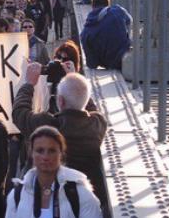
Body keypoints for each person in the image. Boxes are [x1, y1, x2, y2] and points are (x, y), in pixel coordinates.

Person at [14, 63, 109, 206]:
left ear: (60, 101)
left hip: (47, 198)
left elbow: (19, 113)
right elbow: (89, 107)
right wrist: (75, 79)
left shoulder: (47, 126)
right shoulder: (98, 124)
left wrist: (29, 84)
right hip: (83, 196)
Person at [79, 0, 132, 70]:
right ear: (108, 5)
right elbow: (130, 20)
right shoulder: (118, 10)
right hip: (125, 57)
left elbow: (91, 64)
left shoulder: (85, 33)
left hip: (108, 64)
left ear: (93, 7)